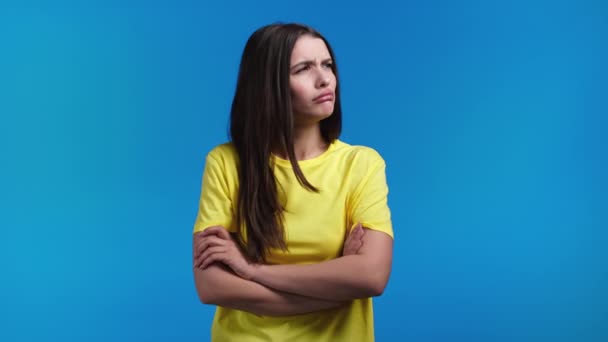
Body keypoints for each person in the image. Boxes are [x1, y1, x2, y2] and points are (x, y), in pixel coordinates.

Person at [192, 22, 394, 342]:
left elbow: (371, 276)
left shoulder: (362, 164)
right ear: (267, 85)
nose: (324, 78)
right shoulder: (226, 162)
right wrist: (335, 289)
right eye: (303, 69)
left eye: (327, 65)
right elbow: (211, 286)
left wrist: (252, 271)